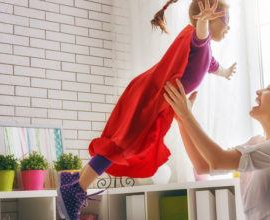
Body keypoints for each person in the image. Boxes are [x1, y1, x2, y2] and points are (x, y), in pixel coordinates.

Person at [57, 0, 236, 219]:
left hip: (156, 100)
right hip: (149, 96)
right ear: (206, 19)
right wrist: (202, 22)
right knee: (123, 145)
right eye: (225, 20)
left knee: (129, 145)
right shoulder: (197, 37)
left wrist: (226, 72)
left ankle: (73, 180)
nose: (228, 26)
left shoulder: (204, 50)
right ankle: (76, 188)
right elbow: (202, 35)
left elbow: (212, 64)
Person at [163, 77, 270, 220]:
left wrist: (187, 115)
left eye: (269, 88)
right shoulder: (256, 143)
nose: (259, 91)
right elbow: (203, 165)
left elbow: (217, 160)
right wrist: (182, 121)